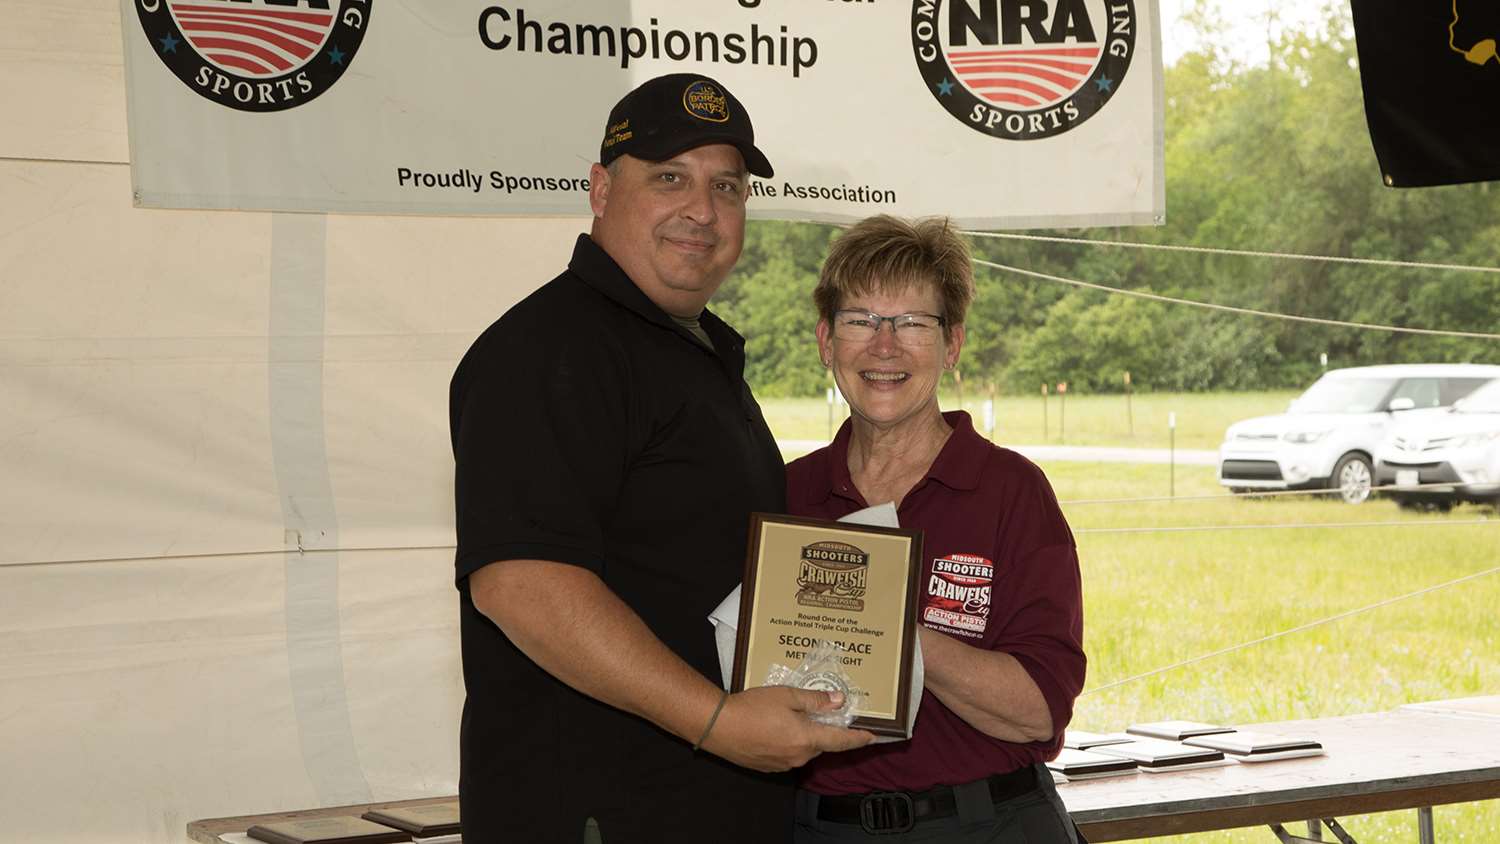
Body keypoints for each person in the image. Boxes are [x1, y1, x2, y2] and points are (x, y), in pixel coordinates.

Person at [449, 73, 874, 844]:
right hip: (598, 812)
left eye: (728, 186)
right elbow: (522, 583)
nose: (702, 211)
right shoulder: (550, 350)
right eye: (669, 177)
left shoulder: (687, 350)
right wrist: (716, 720)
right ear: (601, 189)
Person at [786, 215, 1087, 842]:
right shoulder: (789, 494)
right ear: (825, 341)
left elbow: (1039, 711)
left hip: (988, 823)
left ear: (952, 346)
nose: (885, 345)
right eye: (860, 320)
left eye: (914, 323)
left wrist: (890, 631)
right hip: (822, 829)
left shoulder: (1011, 491)